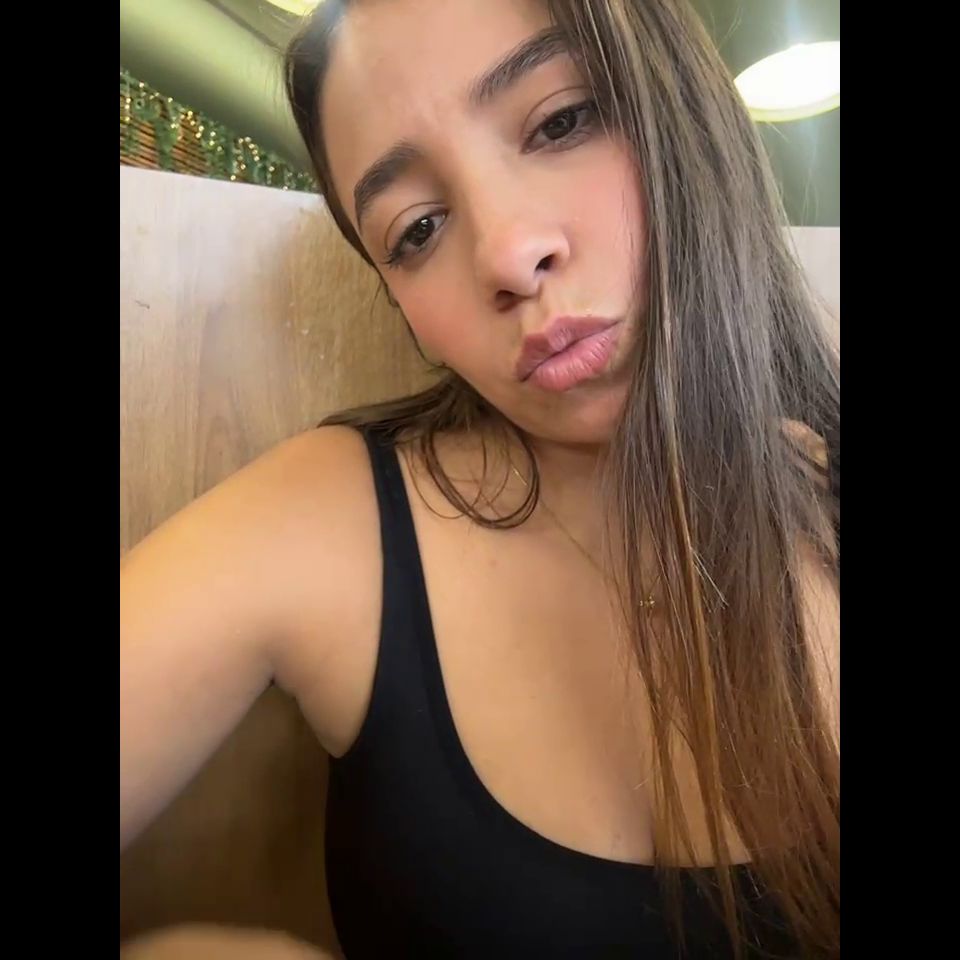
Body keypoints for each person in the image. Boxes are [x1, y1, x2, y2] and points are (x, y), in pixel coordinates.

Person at [120, 1, 840, 956]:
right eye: (417, 229)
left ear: (684, 109)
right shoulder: (331, 518)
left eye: (562, 121)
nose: (508, 255)